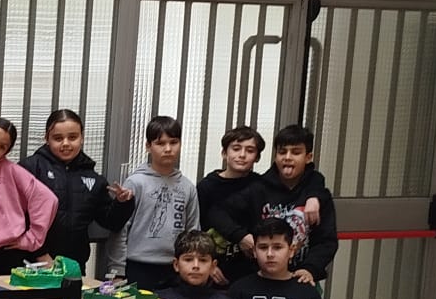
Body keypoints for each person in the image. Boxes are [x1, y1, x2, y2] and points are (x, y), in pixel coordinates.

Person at [25, 109, 133, 276]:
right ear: (47, 139)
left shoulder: (93, 178)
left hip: (74, 267)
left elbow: (111, 222)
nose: (66, 143)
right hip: (33, 265)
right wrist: (40, 254)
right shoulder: (31, 169)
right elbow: (19, 217)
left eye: (73, 137)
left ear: (82, 138)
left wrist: (122, 203)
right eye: (58, 138)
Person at [104, 115, 198, 289]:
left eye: (174, 142)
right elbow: (120, 230)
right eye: (160, 143)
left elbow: (193, 231)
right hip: (137, 266)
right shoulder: (135, 183)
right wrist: (117, 271)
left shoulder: (188, 187)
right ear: (148, 146)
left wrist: (193, 263)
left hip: (174, 268)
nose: (168, 149)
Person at [237, 123, 338, 285]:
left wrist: (310, 269)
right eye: (282, 152)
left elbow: (327, 241)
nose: (288, 157)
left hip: (301, 278)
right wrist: (240, 235)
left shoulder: (318, 194)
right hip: (259, 278)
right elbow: (220, 212)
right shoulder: (257, 189)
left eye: (296, 152)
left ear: (308, 157)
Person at [0, 117, 59, 277]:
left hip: (5, 255)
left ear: (6, 152)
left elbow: (47, 200)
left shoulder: (12, 171)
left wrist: (31, 238)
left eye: (2, 147)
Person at [196, 124, 264, 283]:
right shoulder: (207, 186)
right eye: (236, 148)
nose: (242, 155)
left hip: (250, 269)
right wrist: (206, 264)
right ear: (224, 153)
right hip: (214, 267)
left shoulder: (260, 185)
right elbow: (197, 229)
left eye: (250, 150)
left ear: (257, 157)